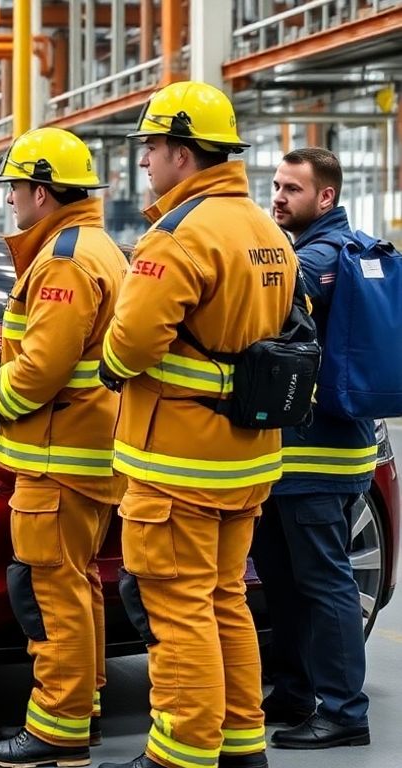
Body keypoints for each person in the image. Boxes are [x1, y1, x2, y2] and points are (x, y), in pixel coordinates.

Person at [95, 80, 297, 768]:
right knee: (224, 602)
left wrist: (111, 363)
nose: (145, 162)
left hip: (177, 462)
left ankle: (179, 753)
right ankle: (243, 746)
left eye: (151, 148)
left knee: (178, 612)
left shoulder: (176, 237)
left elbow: (130, 345)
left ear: (183, 152)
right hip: (247, 459)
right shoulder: (267, 232)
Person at [0, 128, 127, 768]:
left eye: (14, 188)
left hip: (57, 452)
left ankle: (56, 728)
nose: (10, 200)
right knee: (79, 583)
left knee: (52, 592)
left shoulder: (62, 259)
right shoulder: (101, 246)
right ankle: (82, 706)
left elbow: (40, 367)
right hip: (89, 449)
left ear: (40, 189)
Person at [251, 147, 372, 749]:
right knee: (286, 581)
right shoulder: (313, 249)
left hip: (318, 457)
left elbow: (265, 296)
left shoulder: (321, 257)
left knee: (325, 585)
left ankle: (346, 712)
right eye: (275, 185)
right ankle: (295, 692)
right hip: (296, 457)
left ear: (325, 197)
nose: (277, 196)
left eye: (291, 189)